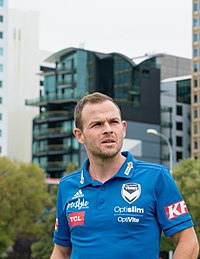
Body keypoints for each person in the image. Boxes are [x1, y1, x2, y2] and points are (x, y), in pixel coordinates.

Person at [50, 92, 199, 259]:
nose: (108, 130)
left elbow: (188, 241)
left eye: (113, 122)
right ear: (79, 135)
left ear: (123, 128)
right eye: (97, 124)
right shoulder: (67, 186)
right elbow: (61, 252)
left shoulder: (156, 177)